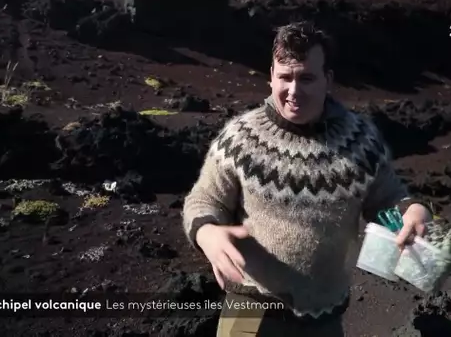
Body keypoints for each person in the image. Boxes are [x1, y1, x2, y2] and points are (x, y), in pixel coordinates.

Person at [181, 21, 432, 337]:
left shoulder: (360, 141)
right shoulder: (240, 139)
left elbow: (387, 201)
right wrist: (207, 233)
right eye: (285, 77)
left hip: (323, 319)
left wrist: (413, 211)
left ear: (328, 80)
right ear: (271, 76)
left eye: (306, 78)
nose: (294, 91)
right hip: (247, 310)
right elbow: (204, 200)